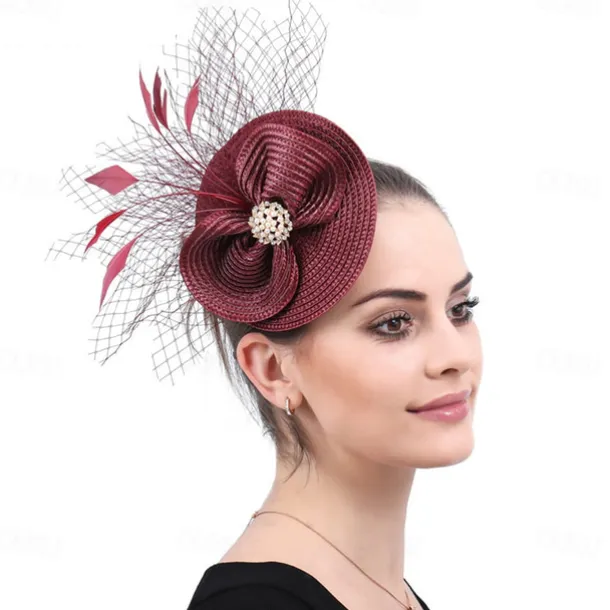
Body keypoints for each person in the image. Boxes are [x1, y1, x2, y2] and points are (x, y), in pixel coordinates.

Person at [47, 2, 482, 609]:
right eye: (393, 323)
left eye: (461, 309)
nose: (454, 356)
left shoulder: (379, 588)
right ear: (273, 369)